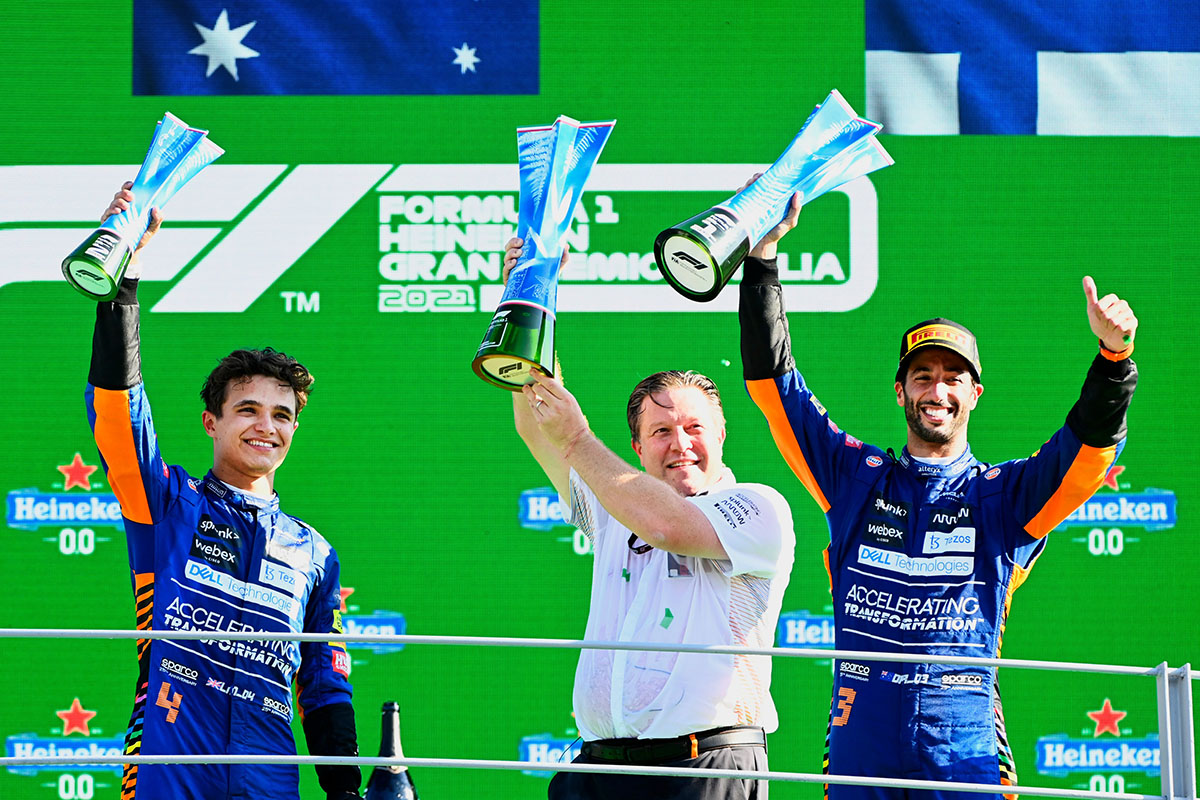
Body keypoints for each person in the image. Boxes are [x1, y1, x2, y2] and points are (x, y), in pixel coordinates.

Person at [736, 183, 1138, 800]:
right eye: (922, 376)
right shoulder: (855, 476)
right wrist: (762, 263)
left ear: (975, 394)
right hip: (860, 741)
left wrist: (1114, 358)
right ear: (901, 392)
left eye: (954, 377)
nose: (937, 390)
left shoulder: (1005, 496)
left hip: (964, 745)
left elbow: (1087, 453)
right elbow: (775, 387)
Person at [87, 184, 361, 800]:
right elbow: (119, 420)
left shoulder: (315, 554)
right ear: (212, 422)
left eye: (282, 414)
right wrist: (121, 291)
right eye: (248, 410)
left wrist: (346, 791)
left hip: (271, 782)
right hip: (167, 772)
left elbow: (325, 687)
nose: (267, 426)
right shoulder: (167, 503)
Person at [502, 238, 796, 800]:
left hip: (706, 765)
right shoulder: (614, 505)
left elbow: (668, 527)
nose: (680, 444)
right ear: (637, 448)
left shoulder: (760, 508)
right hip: (599, 770)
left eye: (694, 428)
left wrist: (579, 440)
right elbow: (536, 422)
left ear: (722, 434)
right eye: (661, 432)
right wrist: (531, 293)